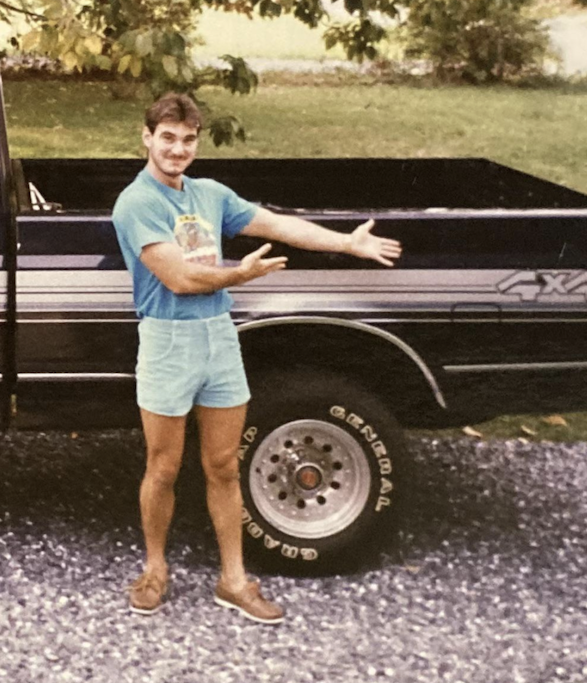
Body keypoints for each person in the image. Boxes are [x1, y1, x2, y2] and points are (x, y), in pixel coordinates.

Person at [112, 93, 402, 621]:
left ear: (196, 143)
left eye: (188, 139)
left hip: (218, 338)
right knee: (164, 466)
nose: (178, 149)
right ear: (147, 138)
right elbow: (179, 278)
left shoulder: (210, 194)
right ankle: (154, 569)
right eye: (168, 138)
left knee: (223, 465)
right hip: (167, 341)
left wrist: (346, 243)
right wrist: (238, 276)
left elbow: (277, 225)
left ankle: (234, 580)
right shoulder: (136, 203)